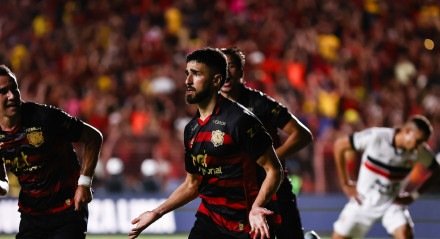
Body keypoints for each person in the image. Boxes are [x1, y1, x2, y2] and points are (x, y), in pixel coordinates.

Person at [129, 47, 283, 239]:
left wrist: (257, 207)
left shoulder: (240, 121)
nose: (187, 81)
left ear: (216, 80)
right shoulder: (191, 129)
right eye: (187, 74)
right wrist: (156, 213)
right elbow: (193, 184)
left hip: (247, 223)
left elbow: (274, 170)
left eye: (196, 74)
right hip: (210, 220)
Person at [220, 47, 314, 239]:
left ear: (241, 71)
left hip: (275, 188)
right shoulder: (211, 108)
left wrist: (272, 159)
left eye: (231, 67)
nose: (226, 73)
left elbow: (302, 134)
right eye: (221, 68)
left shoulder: (260, 103)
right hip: (238, 191)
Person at [0, 64, 103, 239]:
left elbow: (93, 137)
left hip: (67, 209)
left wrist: (84, 183)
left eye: (14, 88)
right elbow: (2, 181)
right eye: (3, 91)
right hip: (32, 215)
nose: (12, 96)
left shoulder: (44, 118)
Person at [332, 115, 439, 239]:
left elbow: (437, 171)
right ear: (407, 131)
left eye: (422, 143)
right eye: (418, 141)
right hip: (364, 200)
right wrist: (345, 183)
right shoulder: (377, 137)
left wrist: (414, 196)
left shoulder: (419, 151)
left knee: (405, 234)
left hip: (391, 202)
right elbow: (340, 145)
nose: (418, 146)